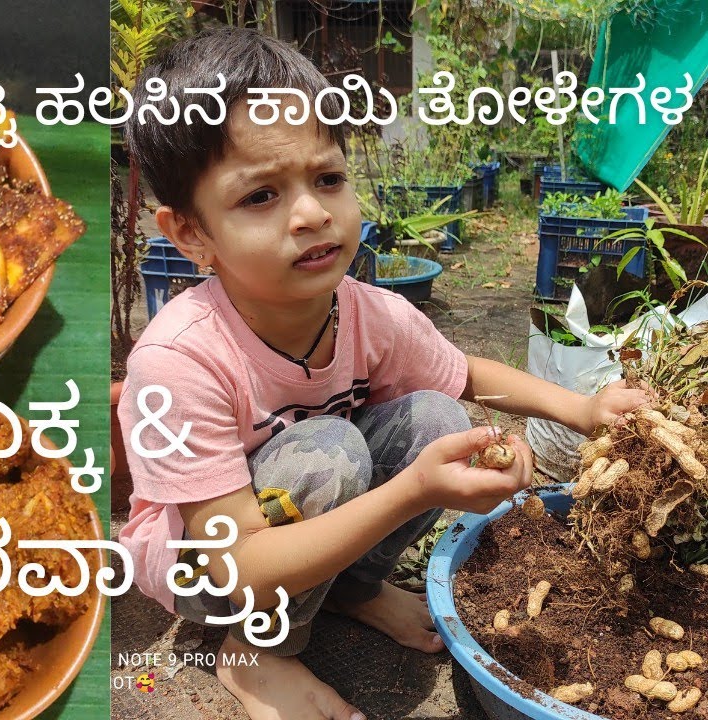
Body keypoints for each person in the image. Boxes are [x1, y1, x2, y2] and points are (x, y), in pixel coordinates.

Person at [117, 27, 649, 720]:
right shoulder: (178, 360)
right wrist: (412, 493)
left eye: (328, 179)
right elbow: (235, 562)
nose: (311, 214)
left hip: (304, 507)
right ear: (190, 234)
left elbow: (464, 376)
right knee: (329, 453)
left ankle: (352, 588)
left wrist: (583, 411)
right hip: (211, 560)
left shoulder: (370, 313)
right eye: (260, 197)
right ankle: (256, 657)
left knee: (435, 417)